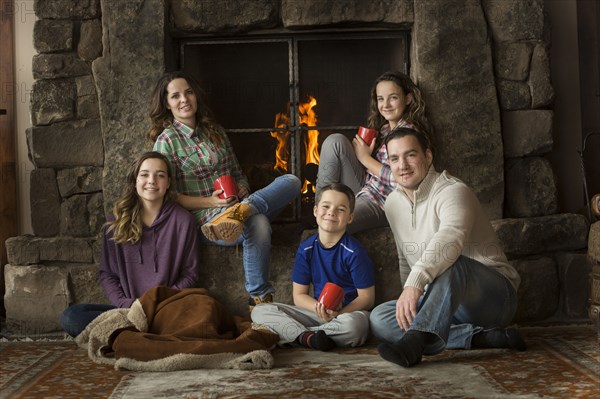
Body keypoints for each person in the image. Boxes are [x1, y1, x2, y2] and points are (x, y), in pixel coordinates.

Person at [369, 127, 526, 368]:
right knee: (380, 319)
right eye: (394, 158)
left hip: (492, 297)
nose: (402, 165)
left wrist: (415, 284)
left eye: (410, 155)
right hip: (442, 301)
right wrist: (408, 296)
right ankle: (480, 338)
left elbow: (450, 240)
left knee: (454, 262)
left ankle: (414, 343)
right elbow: (405, 255)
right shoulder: (392, 204)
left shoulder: (453, 191)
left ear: (428, 157)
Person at [148, 71, 301, 311]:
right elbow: (169, 196)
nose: (184, 99)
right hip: (209, 221)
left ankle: (242, 211)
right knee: (258, 223)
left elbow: (237, 172)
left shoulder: (215, 131)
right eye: (175, 96)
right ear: (167, 104)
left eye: (188, 92)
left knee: (292, 181)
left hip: (236, 206)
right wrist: (211, 202)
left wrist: (242, 188)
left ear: (195, 95)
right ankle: (259, 301)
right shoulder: (167, 141)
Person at [60, 151, 201, 337]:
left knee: (201, 312)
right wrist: (128, 305)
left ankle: (128, 334)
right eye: (144, 175)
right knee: (72, 317)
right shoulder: (116, 223)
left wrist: (158, 303)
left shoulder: (184, 221)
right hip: (127, 309)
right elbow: (107, 274)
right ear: (135, 181)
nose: (152, 181)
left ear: (168, 183)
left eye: (160, 175)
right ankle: (143, 332)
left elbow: (190, 274)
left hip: (165, 308)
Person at [251, 183, 375, 351]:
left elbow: (367, 298)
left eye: (341, 209)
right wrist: (319, 309)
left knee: (357, 327)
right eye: (326, 206)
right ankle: (309, 337)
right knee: (260, 311)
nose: (331, 212)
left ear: (350, 218)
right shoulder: (306, 249)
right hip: (316, 312)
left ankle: (299, 335)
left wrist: (339, 313)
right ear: (316, 211)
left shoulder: (354, 252)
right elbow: (299, 296)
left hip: (346, 314)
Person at [315, 70, 431, 234]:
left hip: (384, 202)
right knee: (335, 142)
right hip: (367, 188)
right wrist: (363, 154)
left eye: (393, 98)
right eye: (381, 99)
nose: (386, 105)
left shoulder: (409, 133)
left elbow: (401, 180)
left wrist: (364, 158)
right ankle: (320, 206)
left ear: (408, 99)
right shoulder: (384, 129)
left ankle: (324, 218)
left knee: (337, 222)